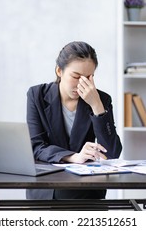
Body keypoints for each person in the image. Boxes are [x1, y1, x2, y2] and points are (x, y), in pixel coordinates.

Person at [26, 41, 122, 200]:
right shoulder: (37, 95)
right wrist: (73, 156)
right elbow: (35, 146)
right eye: (76, 76)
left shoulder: (101, 99)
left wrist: (96, 106)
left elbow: (112, 153)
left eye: (88, 78)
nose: (82, 84)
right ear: (59, 71)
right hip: (45, 190)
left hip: (85, 192)